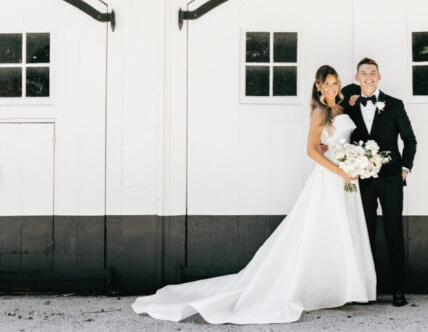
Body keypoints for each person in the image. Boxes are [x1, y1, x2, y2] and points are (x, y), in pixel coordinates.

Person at [132, 65, 376, 324]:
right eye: (326, 83)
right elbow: (312, 151)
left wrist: (354, 163)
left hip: (347, 178)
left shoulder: (344, 107)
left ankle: (343, 287)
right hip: (331, 177)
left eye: (335, 83)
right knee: (321, 230)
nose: (332, 87)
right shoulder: (320, 112)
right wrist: (340, 170)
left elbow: (342, 137)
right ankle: (319, 289)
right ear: (318, 87)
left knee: (342, 229)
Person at [345, 57, 417, 307]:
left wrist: (405, 169)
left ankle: (399, 290)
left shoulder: (395, 105)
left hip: (391, 180)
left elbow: (410, 139)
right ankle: (367, 290)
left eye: (372, 73)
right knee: (366, 235)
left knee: (394, 233)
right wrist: (353, 93)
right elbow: (337, 98)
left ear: (379, 76)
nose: (368, 77)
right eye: (363, 74)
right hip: (362, 181)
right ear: (357, 78)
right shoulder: (349, 105)